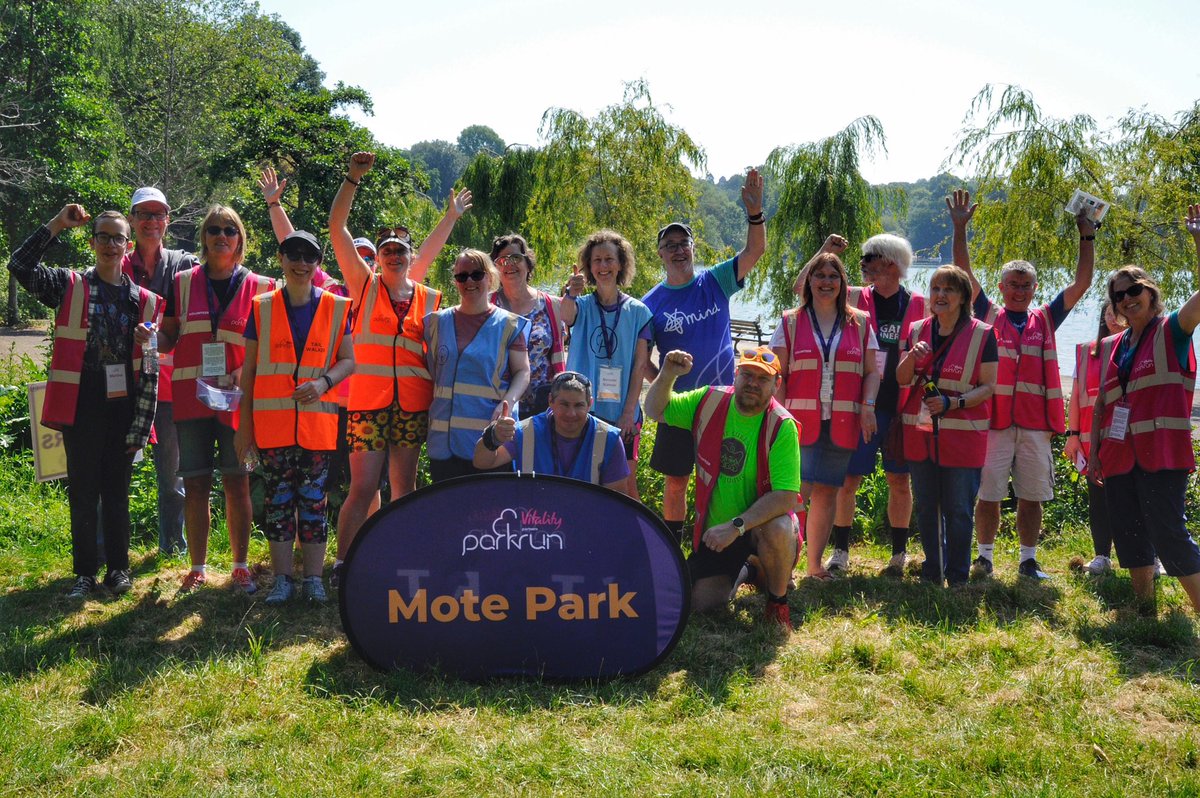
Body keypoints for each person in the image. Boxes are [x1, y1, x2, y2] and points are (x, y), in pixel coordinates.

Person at [328, 151, 471, 580]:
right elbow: (337, 228)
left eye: (400, 251)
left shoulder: (426, 296)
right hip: (367, 406)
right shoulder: (363, 287)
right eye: (386, 250)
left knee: (404, 489)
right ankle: (343, 564)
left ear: (410, 257)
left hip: (411, 407)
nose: (394, 256)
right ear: (377, 258)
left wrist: (450, 216)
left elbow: (432, 249)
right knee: (362, 488)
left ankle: (399, 559)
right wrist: (352, 179)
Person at [8, 205, 161, 598]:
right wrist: (58, 223)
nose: (110, 244)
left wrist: (149, 346)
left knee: (117, 492)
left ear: (128, 246)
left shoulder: (143, 301)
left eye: (118, 238)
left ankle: (119, 570)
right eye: (103, 237)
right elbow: (20, 265)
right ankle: (85, 574)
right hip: (81, 402)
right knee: (83, 491)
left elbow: (151, 366)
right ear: (92, 242)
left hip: (123, 405)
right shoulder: (68, 284)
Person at [949, 189, 1096, 579]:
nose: (1018, 290)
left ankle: (1028, 560)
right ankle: (984, 557)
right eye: (1012, 284)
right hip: (993, 423)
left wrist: (1086, 234)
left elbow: (1082, 283)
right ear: (1001, 288)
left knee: (1032, 497)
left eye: (1025, 285)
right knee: (989, 494)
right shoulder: (987, 313)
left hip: (1035, 426)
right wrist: (960, 228)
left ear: (1034, 289)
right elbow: (963, 274)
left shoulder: (1046, 318)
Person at [642, 169, 766, 543]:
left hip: (724, 401)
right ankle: (673, 545)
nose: (678, 250)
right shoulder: (650, 303)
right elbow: (641, 359)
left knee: (726, 478)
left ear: (693, 248)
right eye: (670, 245)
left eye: (684, 243)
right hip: (679, 406)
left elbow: (755, 252)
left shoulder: (714, 281)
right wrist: (661, 383)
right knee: (677, 480)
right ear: (660, 254)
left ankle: (719, 543)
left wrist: (755, 213)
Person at [1088, 208, 1200, 615]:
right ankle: (1145, 613)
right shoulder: (1114, 345)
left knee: (1169, 535)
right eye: (1118, 295)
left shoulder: (1174, 329)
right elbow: (1102, 406)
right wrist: (1095, 453)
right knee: (1130, 535)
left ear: (1150, 292)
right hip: (1119, 457)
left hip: (1162, 454)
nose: (1126, 298)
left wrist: (1198, 239)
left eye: (1133, 289)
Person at [159, 205, 275, 595]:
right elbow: (168, 336)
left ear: (240, 239)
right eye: (214, 229)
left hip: (238, 402)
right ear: (204, 238)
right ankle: (197, 568)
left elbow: (271, 346)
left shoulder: (261, 287)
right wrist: (148, 337)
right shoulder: (181, 283)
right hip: (191, 400)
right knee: (195, 484)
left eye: (229, 230)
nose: (221, 236)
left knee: (237, 482)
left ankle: (240, 567)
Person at [235, 231, 355, 605]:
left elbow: (349, 360)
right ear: (281, 259)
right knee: (278, 504)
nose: (301, 263)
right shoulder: (262, 307)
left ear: (318, 263)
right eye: (294, 255)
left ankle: (313, 581)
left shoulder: (335, 307)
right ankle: (283, 580)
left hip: (317, 427)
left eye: (309, 256)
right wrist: (244, 427)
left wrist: (323, 383)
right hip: (273, 429)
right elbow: (249, 371)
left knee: (314, 503)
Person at [645, 346, 800, 628]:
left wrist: (737, 526)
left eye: (763, 379)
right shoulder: (709, 400)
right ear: (735, 375)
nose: (753, 383)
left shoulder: (782, 425)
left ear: (776, 385)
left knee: (779, 526)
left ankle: (777, 601)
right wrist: (667, 374)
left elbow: (787, 497)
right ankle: (750, 570)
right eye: (747, 374)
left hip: (758, 527)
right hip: (717, 534)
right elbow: (655, 410)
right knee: (696, 603)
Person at [773, 252, 879, 580]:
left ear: (843, 283)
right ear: (809, 281)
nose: (826, 282)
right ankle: (785, 565)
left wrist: (868, 406)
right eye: (819, 275)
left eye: (834, 276)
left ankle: (814, 565)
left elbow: (872, 372)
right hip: (798, 424)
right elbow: (777, 376)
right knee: (796, 494)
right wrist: (777, 421)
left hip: (842, 423)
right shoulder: (790, 321)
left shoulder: (861, 322)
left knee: (828, 492)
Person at [896, 266, 997, 586]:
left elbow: (989, 386)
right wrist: (911, 357)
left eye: (949, 289)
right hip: (921, 436)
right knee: (926, 507)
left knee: (958, 509)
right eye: (936, 288)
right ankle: (932, 570)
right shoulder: (916, 330)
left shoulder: (983, 334)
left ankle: (957, 576)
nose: (940, 295)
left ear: (963, 297)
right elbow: (901, 378)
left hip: (963, 438)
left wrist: (954, 403)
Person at [831, 233, 925, 576]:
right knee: (848, 480)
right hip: (861, 407)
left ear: (892, 263)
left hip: (901, 409)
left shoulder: (920, 304)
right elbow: (803, 289)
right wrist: (826, 252)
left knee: (899, 481)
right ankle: (840, 552)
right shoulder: (853, 297)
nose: (864, 264)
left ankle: (899, 555)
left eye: (871, 257)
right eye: (863, 258)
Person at [123, 186, 197, 556]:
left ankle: (173, 551)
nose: (151, 221)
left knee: (172, 480)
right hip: (124, 386)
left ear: (167, 220)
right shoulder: (116, 263)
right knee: (114, 476)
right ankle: (109, 554)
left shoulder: (184, 265)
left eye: (158, 214)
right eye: (144, 214)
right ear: (132, 219)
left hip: (168, 388)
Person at [425, 249, 530, 481]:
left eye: (476, 274)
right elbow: (433, 373)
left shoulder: (509, 325)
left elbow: (523, 371)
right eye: (462, 276)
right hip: (443, 444)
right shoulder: (436, 323)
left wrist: (508, 401)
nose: (469, 281)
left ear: (490, 278)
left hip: (488, 439)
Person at [567, 230, 654, 499]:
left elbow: (640, 366)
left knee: (625, 489)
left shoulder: (639, 312)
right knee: (583, 485)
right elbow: (566, 317)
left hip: (622, 414)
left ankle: (634, 529)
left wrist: (628, 413)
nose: (603, 266)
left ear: (620, 264)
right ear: (589, 266)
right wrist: (570, 293)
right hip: (585, 413)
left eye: (609, 259)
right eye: (597, 260)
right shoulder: (581, 305)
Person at [473, 371, 632, 494]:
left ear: (589, 404)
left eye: (579, 405)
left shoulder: (609, 438)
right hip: (535, 521)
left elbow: (616, 499)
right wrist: (493, 437)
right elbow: (482, 462)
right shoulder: (525, 432)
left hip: (585, 520)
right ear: (551, 401)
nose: (571, 413)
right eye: (564, 404)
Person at [1065, 300, 1127, 575]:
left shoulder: (1136, 349)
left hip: (1127, 441)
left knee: (1132, 498)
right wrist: (1072, 435)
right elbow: (1076, 396)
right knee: (1098, 499)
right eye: (1109, 313)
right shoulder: (1086, 352)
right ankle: (1102, 555)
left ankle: (1147, 556)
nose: (1114, 318)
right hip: (1092, 442)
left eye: (1119, 313)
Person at [490, 233, 580, 418]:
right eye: (502, 260)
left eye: (516, 258)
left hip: (542, 407)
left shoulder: (552, 305)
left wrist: (571, 295)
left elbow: (564, 345)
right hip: (497, 404)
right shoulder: (487, 305)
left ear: (528, 263)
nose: (509, 264)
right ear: (495, 268)